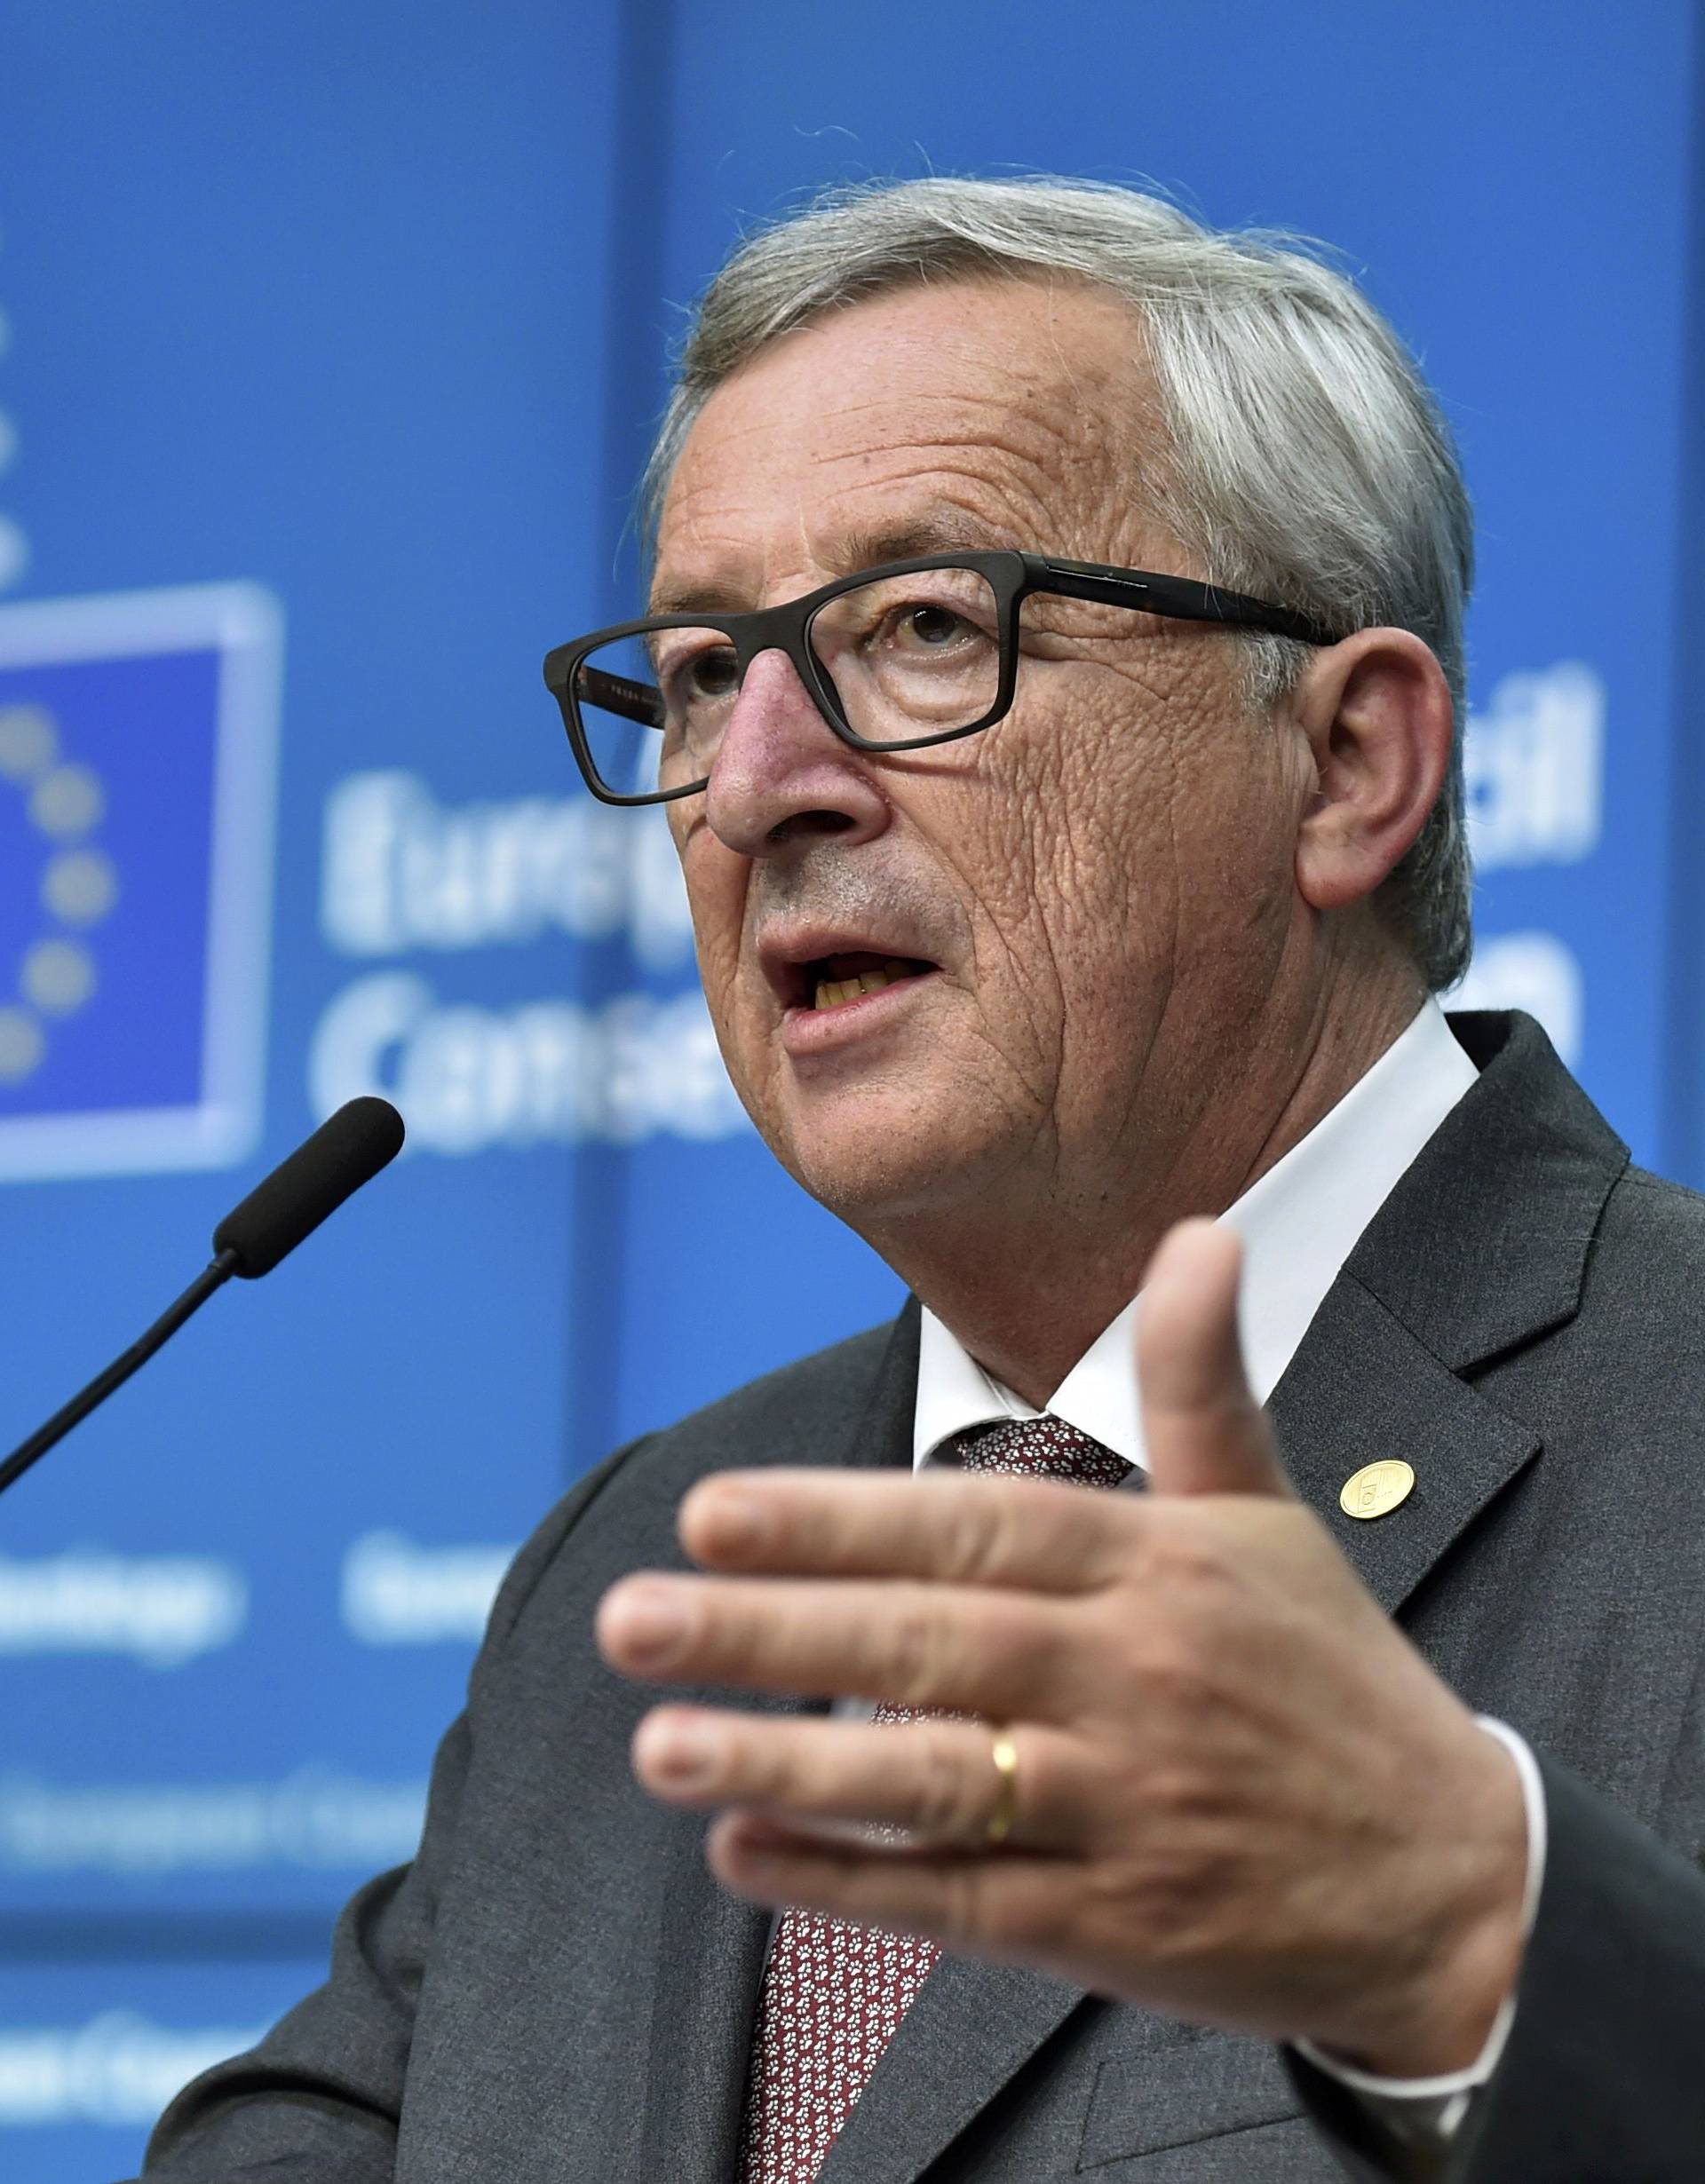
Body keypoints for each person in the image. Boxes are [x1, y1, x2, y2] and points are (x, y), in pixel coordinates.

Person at [140, 178, 1705, 2184]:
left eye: (924, 627)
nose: (760, 781)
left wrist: (1485, 1953)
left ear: (1347, 766)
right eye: (702, 673)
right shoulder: (645, 1574)